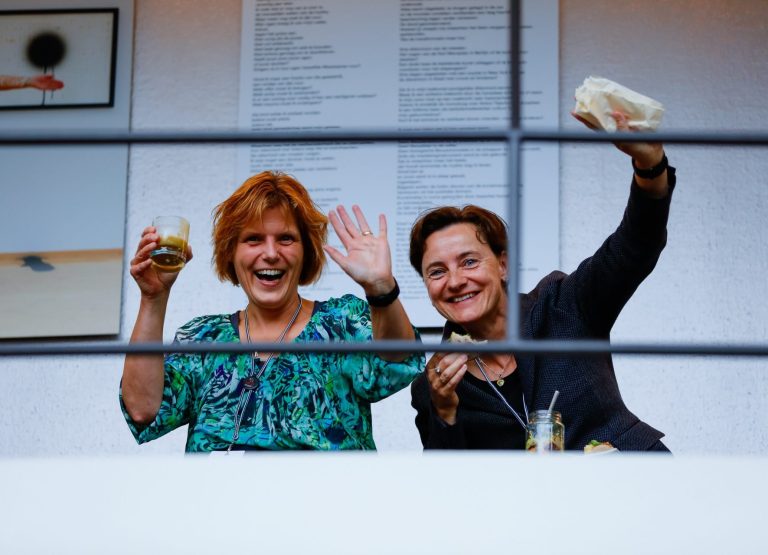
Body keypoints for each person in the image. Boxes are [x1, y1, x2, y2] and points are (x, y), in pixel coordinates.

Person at [409, 112, 674, 452]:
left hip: (630, 475)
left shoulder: (561, 305)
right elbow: (450, 480)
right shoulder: (432, 386)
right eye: (437, 271)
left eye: (469, 261)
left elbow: (634, 247)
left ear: (503, 265)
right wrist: (445, 412)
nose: (456, 281)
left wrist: (650, 167)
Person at [120, 171, 424, 452]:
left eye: (285, 239)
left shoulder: (341, 323)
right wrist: (153, 297)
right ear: (231, 252)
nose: (270, 253)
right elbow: (144, 411)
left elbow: (396, 360)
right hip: (218, 495)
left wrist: (381, 289)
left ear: (306, 251)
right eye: (253, 239)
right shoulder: (202, 338)